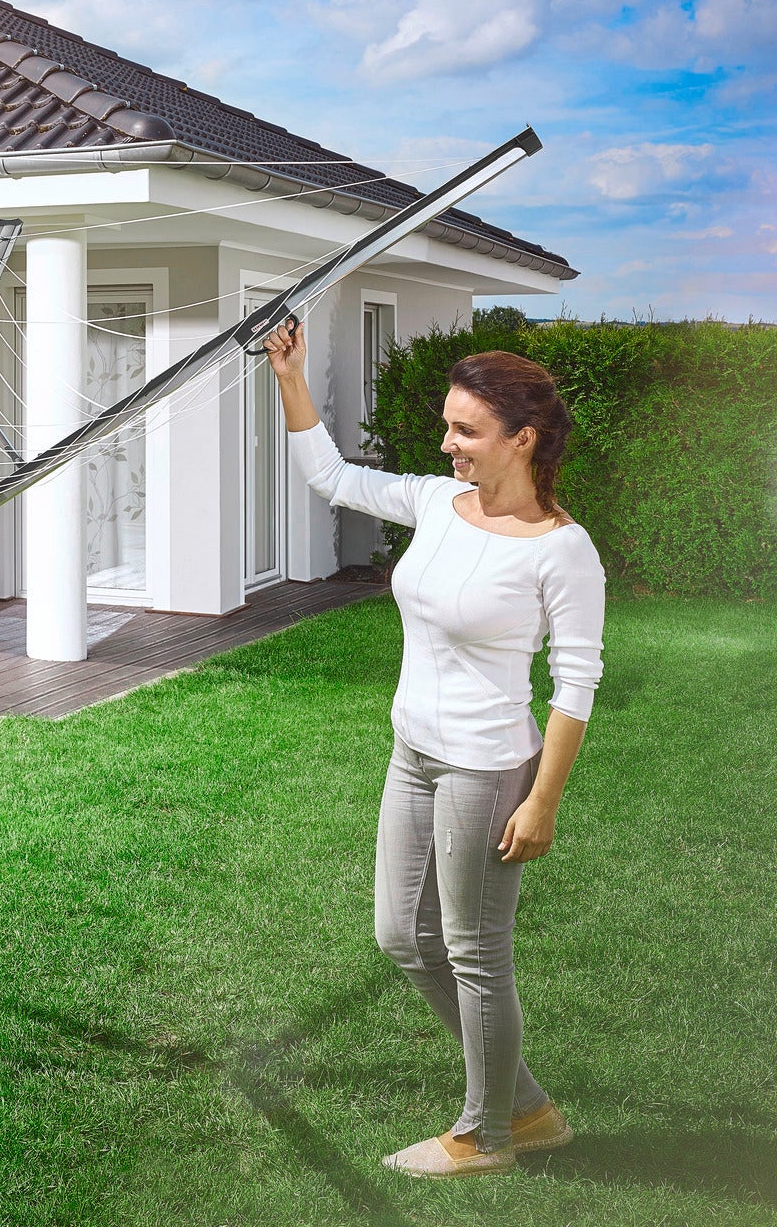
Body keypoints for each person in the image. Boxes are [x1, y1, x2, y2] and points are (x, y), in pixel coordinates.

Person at [262, 320, 605, 1179]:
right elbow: (331, 476)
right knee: (400, 937)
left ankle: (486, 1135)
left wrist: (543, 798)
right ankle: (526, 1109)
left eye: (466, 430)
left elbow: (575, 683)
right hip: (411, 750)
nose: (447, 443)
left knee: (475, 952)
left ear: (521, 439)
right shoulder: (430, 503)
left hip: (487, 769)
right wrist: (291, 376)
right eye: (447, 425)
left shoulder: (563, 552)